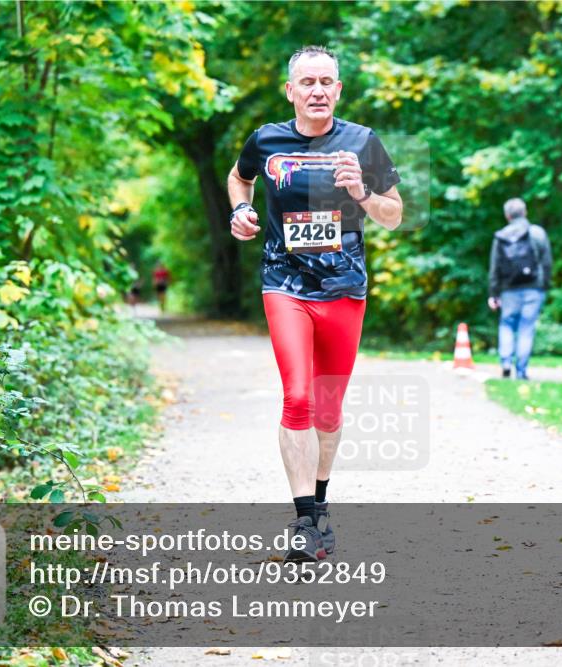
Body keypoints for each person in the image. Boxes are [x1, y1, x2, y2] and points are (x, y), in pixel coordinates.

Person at [226, 45, 403, 561]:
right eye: (308, 82)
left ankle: (319, 505)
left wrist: (363, 193)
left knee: (328, 409)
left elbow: (394, 215)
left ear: (339, 90)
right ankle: (305, 521)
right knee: (298, 396)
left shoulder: (363, 142)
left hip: (344, 290)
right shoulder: (266, 140)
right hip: (284, 283)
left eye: (327, 82)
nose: (318, 91)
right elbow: (240, 177)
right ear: (291, 91)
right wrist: (241, 210)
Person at [487, 198, 552, 380]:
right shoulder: (537, 233)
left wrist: (493, 293)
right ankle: (521, 371)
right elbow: (547, 263)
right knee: (526, 327)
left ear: (507, 216)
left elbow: (495, 268)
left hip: (509, 290)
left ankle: (506, 364)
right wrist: (544, 285)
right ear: (525, 212)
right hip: (534, 288)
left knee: (506, 324)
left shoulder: (501, 237)